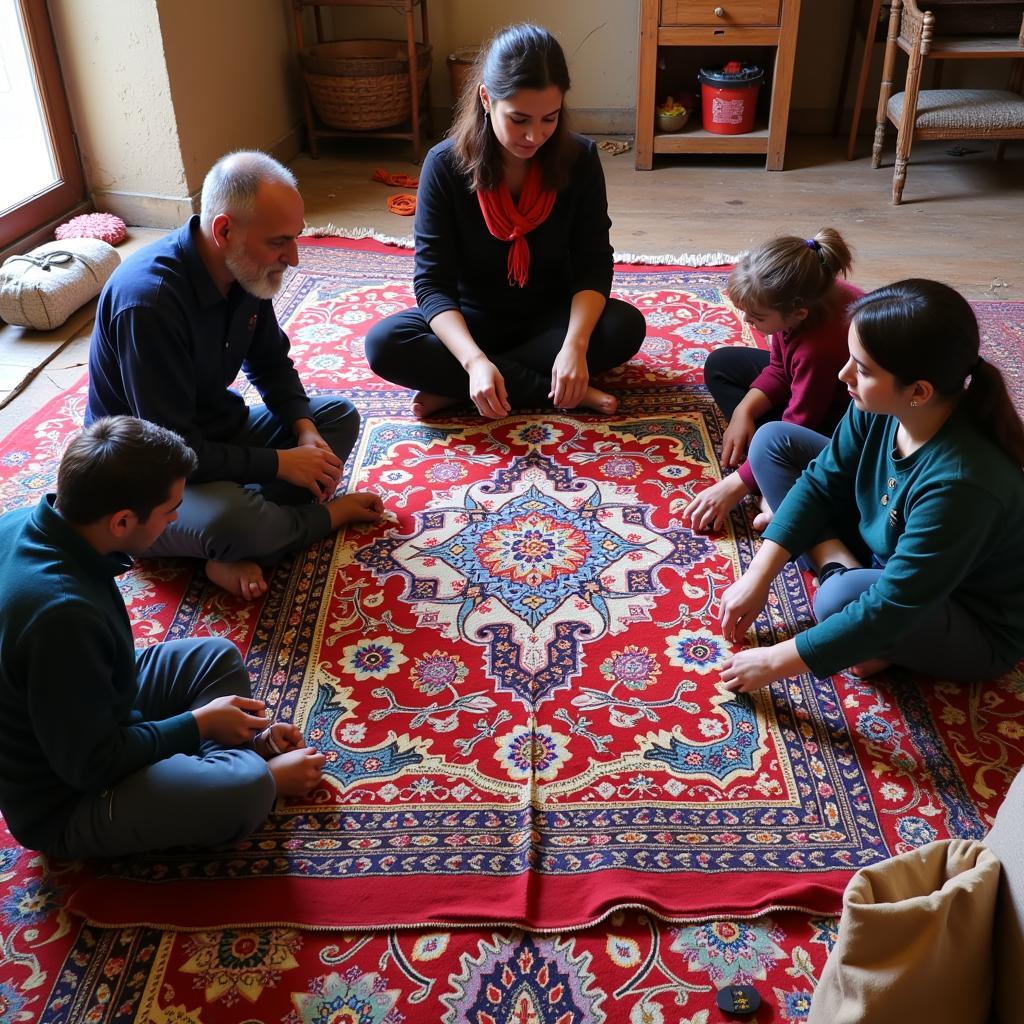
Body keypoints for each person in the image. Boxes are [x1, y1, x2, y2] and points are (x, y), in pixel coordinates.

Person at [0, 417, 326, 859]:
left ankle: (235, 753)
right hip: (68, 800)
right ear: (121, 522)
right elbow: (91, 764)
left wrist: (201, 727)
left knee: (214, 657)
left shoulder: (28, 522)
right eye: (170, 509)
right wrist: (201, 726)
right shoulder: (60, 614)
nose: (177, 517)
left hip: (92, 712)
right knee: (244, 789)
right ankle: (254, 771)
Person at [86, 150, 383, 601]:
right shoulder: (149, 304)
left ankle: (235, 535)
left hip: (215, 434)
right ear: (224, 231)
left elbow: (270, 362)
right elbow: (173, 450)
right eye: (280, 242)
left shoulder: (246, 268)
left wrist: (303, 433)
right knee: (236, 521)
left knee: (335, 418)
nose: (295, 258)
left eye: (296, 238)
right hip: (146, 480)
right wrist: (284, 465)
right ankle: (279, 525)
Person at [718, 279, 1024, 694]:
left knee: (836, 600)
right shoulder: (883, 405)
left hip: (966, 616)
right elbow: (821, 480)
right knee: (774, 441)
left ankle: (853, 600)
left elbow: (897, 602)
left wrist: (773, 661)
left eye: (861, 369)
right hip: (888, 549)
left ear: (918, 391)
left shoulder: (963, 483)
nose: (843, 374)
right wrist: (758, 575)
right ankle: (842, 570)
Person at [364, 23, 646, 419]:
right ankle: (541, 388)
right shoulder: (444, 166)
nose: (535, 136)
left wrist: (575, 347)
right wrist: (473, 361)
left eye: (549, 118)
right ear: (486, 98)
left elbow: (593, 264)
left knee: (625, 326)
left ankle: (461, 391)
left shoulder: (579, 158)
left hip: (552, 318)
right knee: (384, 344)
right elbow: (432, 284)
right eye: (519, 119)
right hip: (473, 320)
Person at [683, 228, 862, 533]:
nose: (747, 322)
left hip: (844, 416)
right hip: (813, 388)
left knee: (781, 442)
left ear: (798, 312)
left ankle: (774, 485)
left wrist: (735, 485)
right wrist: (744, 411)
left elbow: (799, 425)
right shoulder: (803, 294)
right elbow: (781, 369)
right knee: (721, 364)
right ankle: (767, 471)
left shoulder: (819, 348)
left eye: (756, 317)